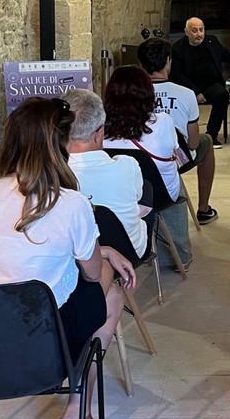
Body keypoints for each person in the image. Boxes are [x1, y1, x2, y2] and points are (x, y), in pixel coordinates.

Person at [0, 97, 136, 419]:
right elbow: (92, 274)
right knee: (112, 291)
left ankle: (79, 413)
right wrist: (101, 252)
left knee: (91, 280)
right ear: (61, 147)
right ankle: (78, 411)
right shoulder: (71, 203)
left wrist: (99, 249)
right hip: (38, 344)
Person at [103, 66, 193, 269]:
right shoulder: (162, 122)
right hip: (159, 194)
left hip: (117, 194)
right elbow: (177, 154)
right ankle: (180, 254)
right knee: (176, 181)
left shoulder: (99, 127)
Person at [137, 37, 219, 225]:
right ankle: (204, 209)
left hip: (138, 158)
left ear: (140, 64)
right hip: (174, 159)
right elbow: (193, 144)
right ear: (168, 61)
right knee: (206, 142)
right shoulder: (186, 94)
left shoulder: (131, 94)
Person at [64, 88, 152, 257]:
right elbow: (138, 195)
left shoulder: (49, 173)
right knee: (146, 189)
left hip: (77, 255)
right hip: (130, 251)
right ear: (99, 133)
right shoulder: (128, 165)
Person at [170, 17, 230, 147]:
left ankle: (212, 135)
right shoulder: (177, 48)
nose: (199, 34)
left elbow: (229, 55)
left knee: (222, 95)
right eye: (195, 30)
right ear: (186, 32)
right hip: (188, 87)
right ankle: (183, 136)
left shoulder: (211, 41)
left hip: (210, 84)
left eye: (201, 30)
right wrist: (196, 92)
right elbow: (177, 75)